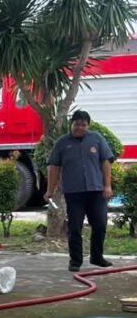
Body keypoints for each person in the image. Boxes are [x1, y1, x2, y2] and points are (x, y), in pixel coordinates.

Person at [45, 110, 114, 272]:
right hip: (74, 193)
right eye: (77, 124)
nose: (80, 128)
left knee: (100, 224)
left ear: (88, 126)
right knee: (75, 227)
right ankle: (75, 261)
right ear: (72, 124)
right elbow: (54, 168)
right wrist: (50, 190)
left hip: (96, 191)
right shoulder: (62, 143)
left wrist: (107, 185)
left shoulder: (97, 139)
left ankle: (97, 257)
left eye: (83, 125)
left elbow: (106, 162)